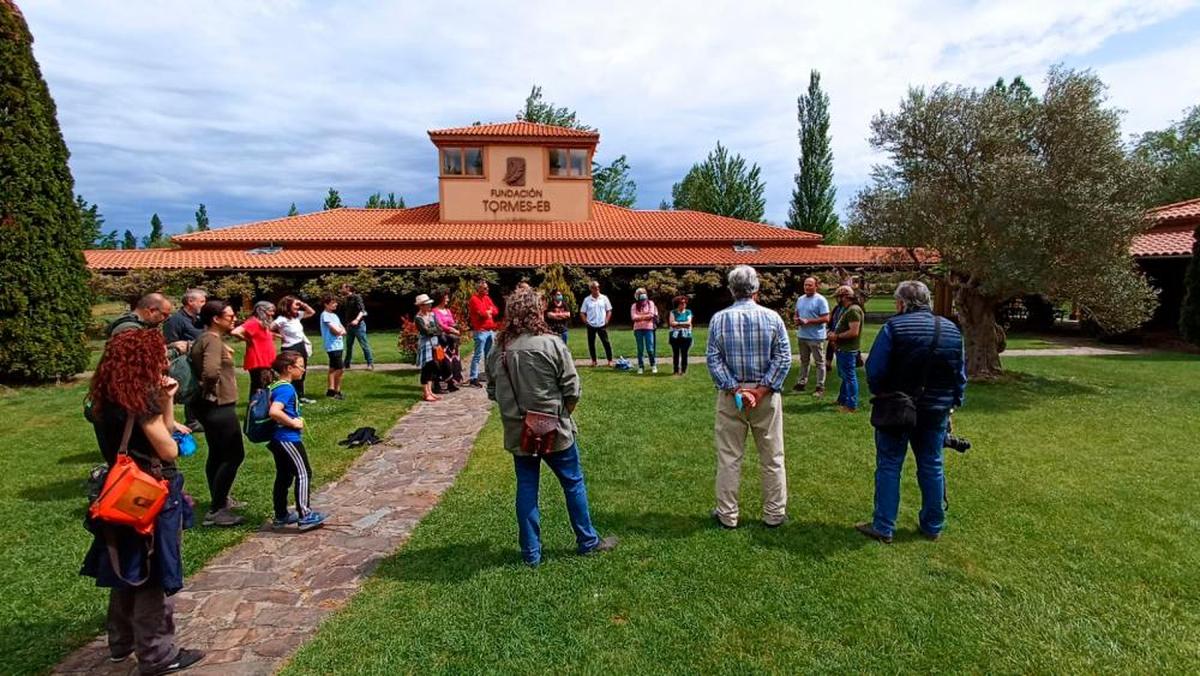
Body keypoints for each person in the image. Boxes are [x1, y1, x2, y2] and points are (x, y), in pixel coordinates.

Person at [82, 329, 205, 674]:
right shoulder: (138, 398)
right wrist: (159, 405)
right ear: (143, 360)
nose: (165, 360)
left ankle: (120, 642)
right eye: (160, 356)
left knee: (126, 566)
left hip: (117, 490)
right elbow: (167, 448)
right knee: (152, 573)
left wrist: (166, 399)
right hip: (148, 494)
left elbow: (162, 427)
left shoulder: (105, 397)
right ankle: (157, 654)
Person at [484, 287, 617, 566]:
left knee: (527, 487)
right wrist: (560, 415)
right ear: (537, 311)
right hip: (553, 428)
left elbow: (492, 391)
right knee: (573, 483)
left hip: (518, 431)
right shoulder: (551, 343)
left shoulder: (498, 348)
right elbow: (572, 389)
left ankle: (531, 554)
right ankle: (587, 541)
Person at [856, 281, 967, 544]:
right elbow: (960, 374)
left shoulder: (894, 327)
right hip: (937, 408)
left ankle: (883, 525)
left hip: (897, 406)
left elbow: (875, 369)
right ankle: (933, 525)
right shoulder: (951, 329)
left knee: (890, 464)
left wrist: (882, 393)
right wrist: (953, 403)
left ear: (901, 303)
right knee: (932, 464)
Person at [705, 265, 792, 529]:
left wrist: (736, 389)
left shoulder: (719, 319)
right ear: (756, 288)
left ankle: (727, 514)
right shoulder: (773, 318)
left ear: (732, 289)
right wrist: (762, 389)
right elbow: (783, 357)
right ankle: (774, 514)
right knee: (773, 457)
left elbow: (714, 359)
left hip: (733, 396)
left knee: (729, 457)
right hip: (765, 396)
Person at [189, 300, 246, 527]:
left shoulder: (204, 339)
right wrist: (210, 389)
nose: (234, 319)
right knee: (233, 455)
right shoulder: (212, 341)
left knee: (217, 454)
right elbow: (211, 371)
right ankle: (217, 509)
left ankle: (220, 498)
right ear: (215, 318)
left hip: (208, 407)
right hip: (218, 405)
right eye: (230, 315)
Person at [266, 350, 328, 531]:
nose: (304, 370)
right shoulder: (286, 388)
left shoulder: (276, 386)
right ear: (289, 368)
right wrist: (294, 422)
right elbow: (275, 411)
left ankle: (281, 515)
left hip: (278, 439)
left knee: (284, 476)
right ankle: (305, 514)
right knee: (303, 473)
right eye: (301, 366)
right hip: (288, 439)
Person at [162, 288, 207, 431]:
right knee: (191, 388)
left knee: (202, 389)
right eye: (202, 301)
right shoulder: (175, 320)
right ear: (190, 301)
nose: (204, 304)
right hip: (185, 362)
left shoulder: (200, 319)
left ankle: (201, 418)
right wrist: (186, 345)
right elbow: (169, 344)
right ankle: (192, 421)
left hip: (201, 359)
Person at [108, 293, 188, 356]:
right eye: (164, 314)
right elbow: (141, 358)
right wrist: (176, 351)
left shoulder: (141, 325)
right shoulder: (129, 329)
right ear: (151, 311)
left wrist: (171, 346)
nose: (166, 318)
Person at [273, 296, 317, 404]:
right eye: (295, 305)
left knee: (301, 371)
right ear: (287, 306)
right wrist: (279, 336)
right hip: (290, 348)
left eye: (298, 305)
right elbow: (266, 329)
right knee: (291, 372)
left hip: (300, 345)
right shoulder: (281, 319)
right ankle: (291, 397)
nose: (298, 307)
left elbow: (312, 312)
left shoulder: (296, 316)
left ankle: (300, 396)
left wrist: (302, 304)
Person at [231, 301, 278, 400]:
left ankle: (262, 409)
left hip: (266, 359)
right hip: (259, 359)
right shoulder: (253, 322)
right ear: (262, 310)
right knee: (260, 386)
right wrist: (246, 339)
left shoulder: (262, 323)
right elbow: (235, 331)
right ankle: (257, 409)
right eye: (270, 311)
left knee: (266, 386)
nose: (272, 313)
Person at [792, 276, 831, 396]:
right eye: (805, 285)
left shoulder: (821, 300)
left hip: (816, 336)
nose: (807, 287)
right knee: (804, 361)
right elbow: (797, 313)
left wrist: (808, 321)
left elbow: (826, 318)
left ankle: (820, 386)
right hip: (802, 335)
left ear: (816, 286)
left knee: (819, 362)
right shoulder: (800, 299)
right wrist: (796, 320)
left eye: (810, 285)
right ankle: (801, 383)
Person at [829, 285, 864, 413]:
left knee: (850, 377)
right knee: (845, 376)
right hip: (842, 349)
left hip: (848, 350)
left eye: (838, 297)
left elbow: (854, 332)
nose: (837, 300)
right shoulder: (846, 309)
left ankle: (851, 405)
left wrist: (836, 336)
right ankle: (842, 399)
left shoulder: (853, 310)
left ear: (844, 297)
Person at [414, 294, 451, 402]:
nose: (430, 305)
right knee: (426, 368)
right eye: (427, 304)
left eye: (429, 303)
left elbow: (438, 328)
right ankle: (426, 393)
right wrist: (433, 330)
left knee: (432, 368)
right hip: (425, 345)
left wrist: (433, 330)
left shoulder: (431, 315)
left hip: (434, 344)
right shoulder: (418, 318)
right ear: (421, 305)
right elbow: (425, 331)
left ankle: (430, 391)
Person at [467, 279, 499, 388]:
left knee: (489, 355)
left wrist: (489, 311)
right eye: (485, 288)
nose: (487, 289)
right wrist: (488, 312)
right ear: (479, 289)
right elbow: (481, 314)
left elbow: (496, 311)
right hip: (480, 331)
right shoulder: (474, 299)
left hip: (490, 331)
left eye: (487, 287)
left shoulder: (487, 298)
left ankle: (488, 374)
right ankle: (473, 378)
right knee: (478, 355)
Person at [432, 289, 464, 390]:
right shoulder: (435, 311)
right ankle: (437, 384)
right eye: (446, 297)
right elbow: (440, 325)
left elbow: (451, 322)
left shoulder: (447, 310)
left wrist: (455, 327)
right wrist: (452, 329)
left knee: (452, 362)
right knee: (441, 361)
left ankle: (451, 383)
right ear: (440, 298)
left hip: (451, 342)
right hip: (441, 341)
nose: (447, 299)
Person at [340, 283, 374, 370]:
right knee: (349, 346)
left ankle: (370, 363)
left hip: (359, 326)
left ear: (348, 288)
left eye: (342, 288)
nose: (341, 290)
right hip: (349, 326)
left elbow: (362, 310)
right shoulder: (346, 299)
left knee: (364, 345)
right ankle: (346, 364)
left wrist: (357, 320)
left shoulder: (357, 297)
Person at [579, 280, 613, 367]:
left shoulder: (604, 298)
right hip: (591, 325)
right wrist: (586, 321)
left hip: (602, 324)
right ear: (591, 289)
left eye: (598, 287)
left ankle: (610, 360)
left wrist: (607, 320)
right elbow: (582, 312)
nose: (597, 289)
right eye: (595, 288)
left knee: (606, 342)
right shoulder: (587, 300)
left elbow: (609, 310)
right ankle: (594, 361)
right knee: (591, 343)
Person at [320, 294, 347, 400]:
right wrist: (340, 331)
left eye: (336, 302)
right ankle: (337, 391)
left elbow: (342, 329)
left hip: (338, 344)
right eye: (333, 303)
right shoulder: (325, 315)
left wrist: (340, 331)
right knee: (340, 369)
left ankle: (330, 390)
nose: (336, 304)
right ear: (326, 304)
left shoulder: (334, 316)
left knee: (333, 368)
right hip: (332, 345)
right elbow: (335, 330)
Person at [631, 287, 659, 374]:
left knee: (650, 348)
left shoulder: (651, 303)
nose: (642, 298)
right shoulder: (634, 306)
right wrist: (645, 317)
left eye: (643, 293)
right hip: (638, 329)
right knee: (640, 349)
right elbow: (633, 317)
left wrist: (640, 317)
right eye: (639, 294)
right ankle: (641, 366)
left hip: (649, 328)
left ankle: (653, 364)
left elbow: (651, 314)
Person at [668, 295, 694, 375]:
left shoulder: (688, 312)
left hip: (686, 336)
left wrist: (678, 323)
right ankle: (675, 370)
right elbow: (672, 323)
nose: (684, 304)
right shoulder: (672, 312)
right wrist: (683, 324)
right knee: (675, 353)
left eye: (685, 302)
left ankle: (683, 370)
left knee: (684, 353)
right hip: (675, 336)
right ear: (677, 304)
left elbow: (689, 323)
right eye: (682, 303)